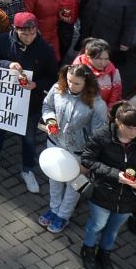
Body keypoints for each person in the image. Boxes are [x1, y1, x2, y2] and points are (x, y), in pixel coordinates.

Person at [79, 103, 136, 269]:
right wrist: (115, 175)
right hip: (102, 191)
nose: (134, 132)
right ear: (118, 122)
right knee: (97, 225)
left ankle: (105, 253)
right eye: (129, 127)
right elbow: (88, 160)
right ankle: (88, 250)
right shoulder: (102, 136)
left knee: (113, 229)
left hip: (127, 198)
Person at [0, 12, 57, 193]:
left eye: (32, 33)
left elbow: (53, 77)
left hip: (31, 102)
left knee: (29, 138)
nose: (29, 37)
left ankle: (28, 169)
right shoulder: (3, 40)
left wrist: (36, 84)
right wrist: (7, 65)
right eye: (24, 33)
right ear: (15, 29)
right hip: (4, 98)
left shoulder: (46, 49)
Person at [39, 64, 108, 234]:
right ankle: (54, 209)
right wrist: (50, 120)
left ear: (87, 82)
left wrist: (88, 161)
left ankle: (64, 215)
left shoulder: (97, 104)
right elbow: (47, 107)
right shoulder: (57, 88)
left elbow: (98, 136)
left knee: (75, 185)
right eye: (69, 81)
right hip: (55, 144)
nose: (71, 86)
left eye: (77, 83)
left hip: (79, 153)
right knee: (54, 179)